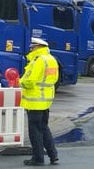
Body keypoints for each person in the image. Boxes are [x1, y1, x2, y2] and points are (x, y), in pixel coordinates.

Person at [20, 38, 59, 166]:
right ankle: (53, 155)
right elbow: (55, 79)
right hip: (46, 101)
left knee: (35, 131)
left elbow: (30, 81)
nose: (30, 49)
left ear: (37, 47)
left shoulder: (38, 61)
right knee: (44, 128)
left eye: (32, 47)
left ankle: (38, 158)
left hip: (35, 101)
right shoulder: (51, 59)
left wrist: (19, 82)